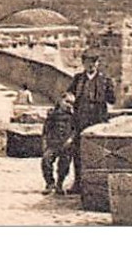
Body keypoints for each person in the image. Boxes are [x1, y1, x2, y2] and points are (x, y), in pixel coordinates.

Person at [65, 49, 115, 194]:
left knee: (98, 152)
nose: (91, 65)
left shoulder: (105, 80)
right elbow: (68, 94)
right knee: (78, 152)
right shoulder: (78, 79)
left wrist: (110, 91)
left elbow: (112, 99)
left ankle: (97, 185)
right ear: (83, 63)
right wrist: (70, 98)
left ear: (98, 63)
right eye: (87, 62)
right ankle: (78, 183)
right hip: (80, 120)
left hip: (98, 120)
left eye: (93, 62)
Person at [41, 93, 78, 195]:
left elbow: (75, 130)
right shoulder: (53, 115)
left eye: (71, 103)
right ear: (60, 101)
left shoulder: (73, 116)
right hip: (53, 143)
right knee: (46, 161)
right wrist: (44, 142)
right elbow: (46, 130)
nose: (68, 105)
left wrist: (70, 140)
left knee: (64, 165)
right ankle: (49, 183)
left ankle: (59, 184)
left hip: (66, 144)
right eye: (66, 102)